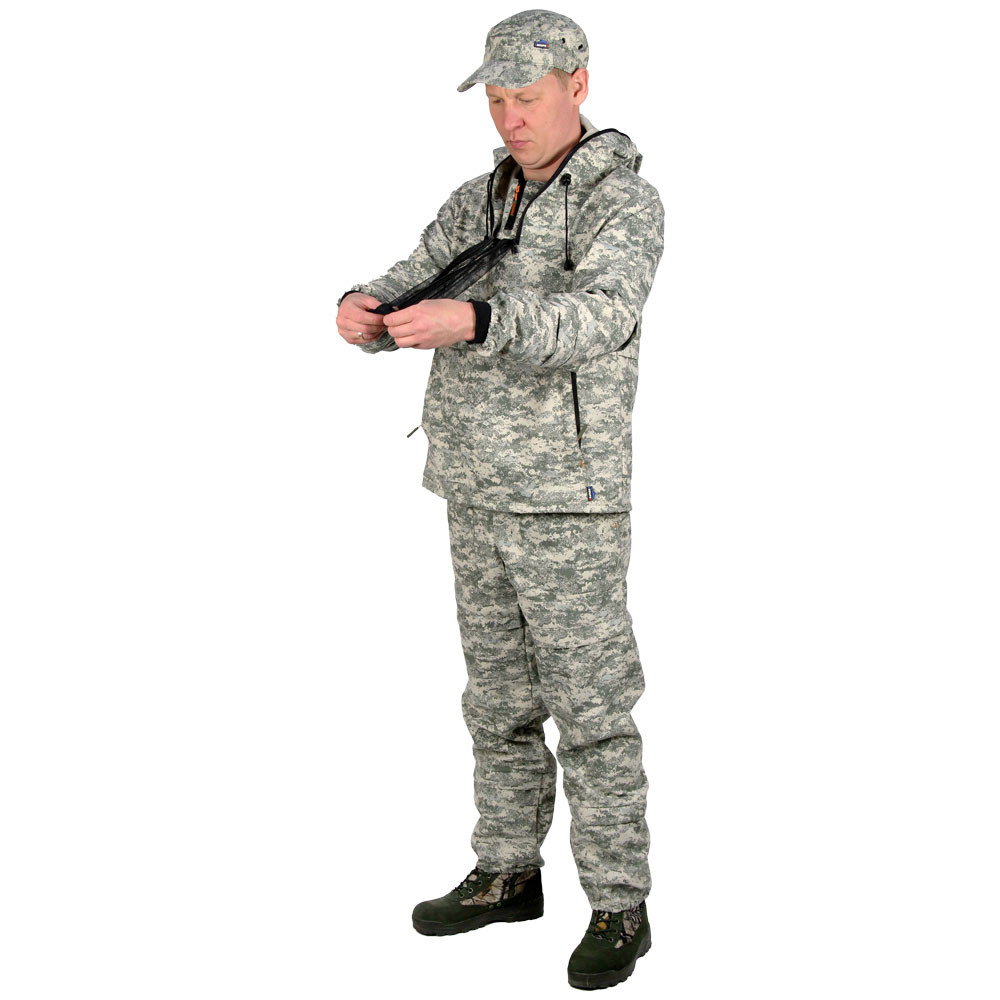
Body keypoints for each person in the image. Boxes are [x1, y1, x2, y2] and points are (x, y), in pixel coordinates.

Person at [336, 9, 664, 990]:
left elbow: (598, 317)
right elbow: (413, 278)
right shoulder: (479, 199)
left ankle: (619, 902)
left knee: (591, 706)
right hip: (474, 482)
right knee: (497, 700)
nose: (509, 117)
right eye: (495, 100)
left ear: (578, 86)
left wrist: (477, 319)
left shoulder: (623, 202)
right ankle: (507, 870)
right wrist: (364, 309)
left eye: (526, 97)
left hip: (567, 496)